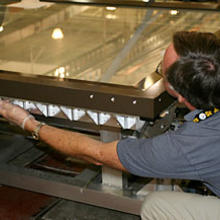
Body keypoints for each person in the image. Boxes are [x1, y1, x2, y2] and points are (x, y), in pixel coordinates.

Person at [0, 31, 220, 219]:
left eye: (161, 71)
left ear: (180, 95)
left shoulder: (187, 147)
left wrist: (28, 123)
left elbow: (97, 154)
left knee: (156, 206)